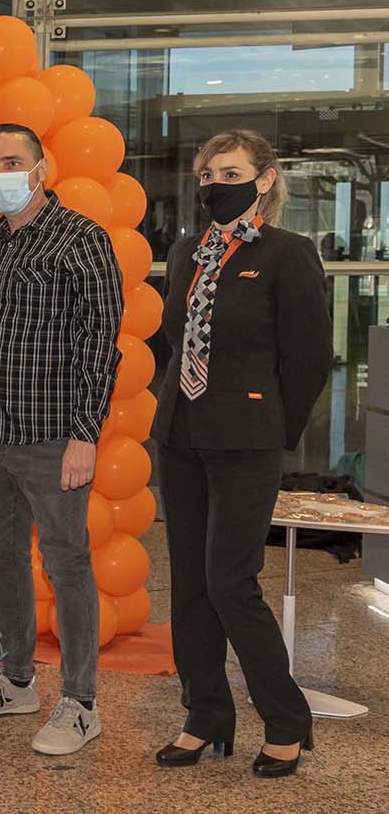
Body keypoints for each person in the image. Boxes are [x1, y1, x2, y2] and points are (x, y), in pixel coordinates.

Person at [152, 131, 330, 778]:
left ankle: (286, 721)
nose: (212, 182)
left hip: (247, 440)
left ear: (264, 179)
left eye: (228, 170)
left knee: (231, 582)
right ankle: (205, 716)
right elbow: (174, 340)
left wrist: (271, 428)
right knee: (190, 587)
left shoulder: (289, 254)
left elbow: (308, 357)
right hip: (179, 436)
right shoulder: (185, 252)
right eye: (205, 172)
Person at [0, 123, 123, 755]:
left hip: (53, 436)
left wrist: (86, 435)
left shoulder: (82, 240)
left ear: (42, 168)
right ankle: (15, 680)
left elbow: (100, 344)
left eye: (12, 161)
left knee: (67, 561)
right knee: (2, 556)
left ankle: (80, 703)